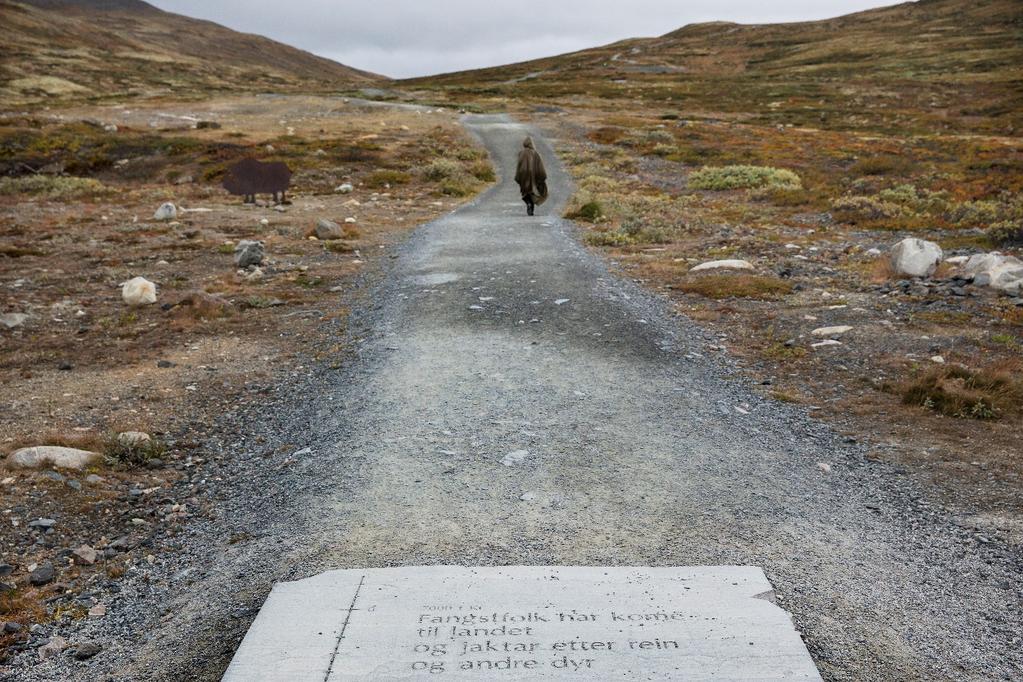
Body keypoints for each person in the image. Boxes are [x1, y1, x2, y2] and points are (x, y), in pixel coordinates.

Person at [515, 136, 548, 216]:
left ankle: (529, 204)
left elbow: (518, 166)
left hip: (523, 176)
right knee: (532, 192)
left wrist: (518, 177)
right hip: (533, 177)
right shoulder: (535, 154)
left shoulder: (521, 153)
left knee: (526, 192)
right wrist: (542, 177)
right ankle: (531, 206)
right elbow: (540, 168)